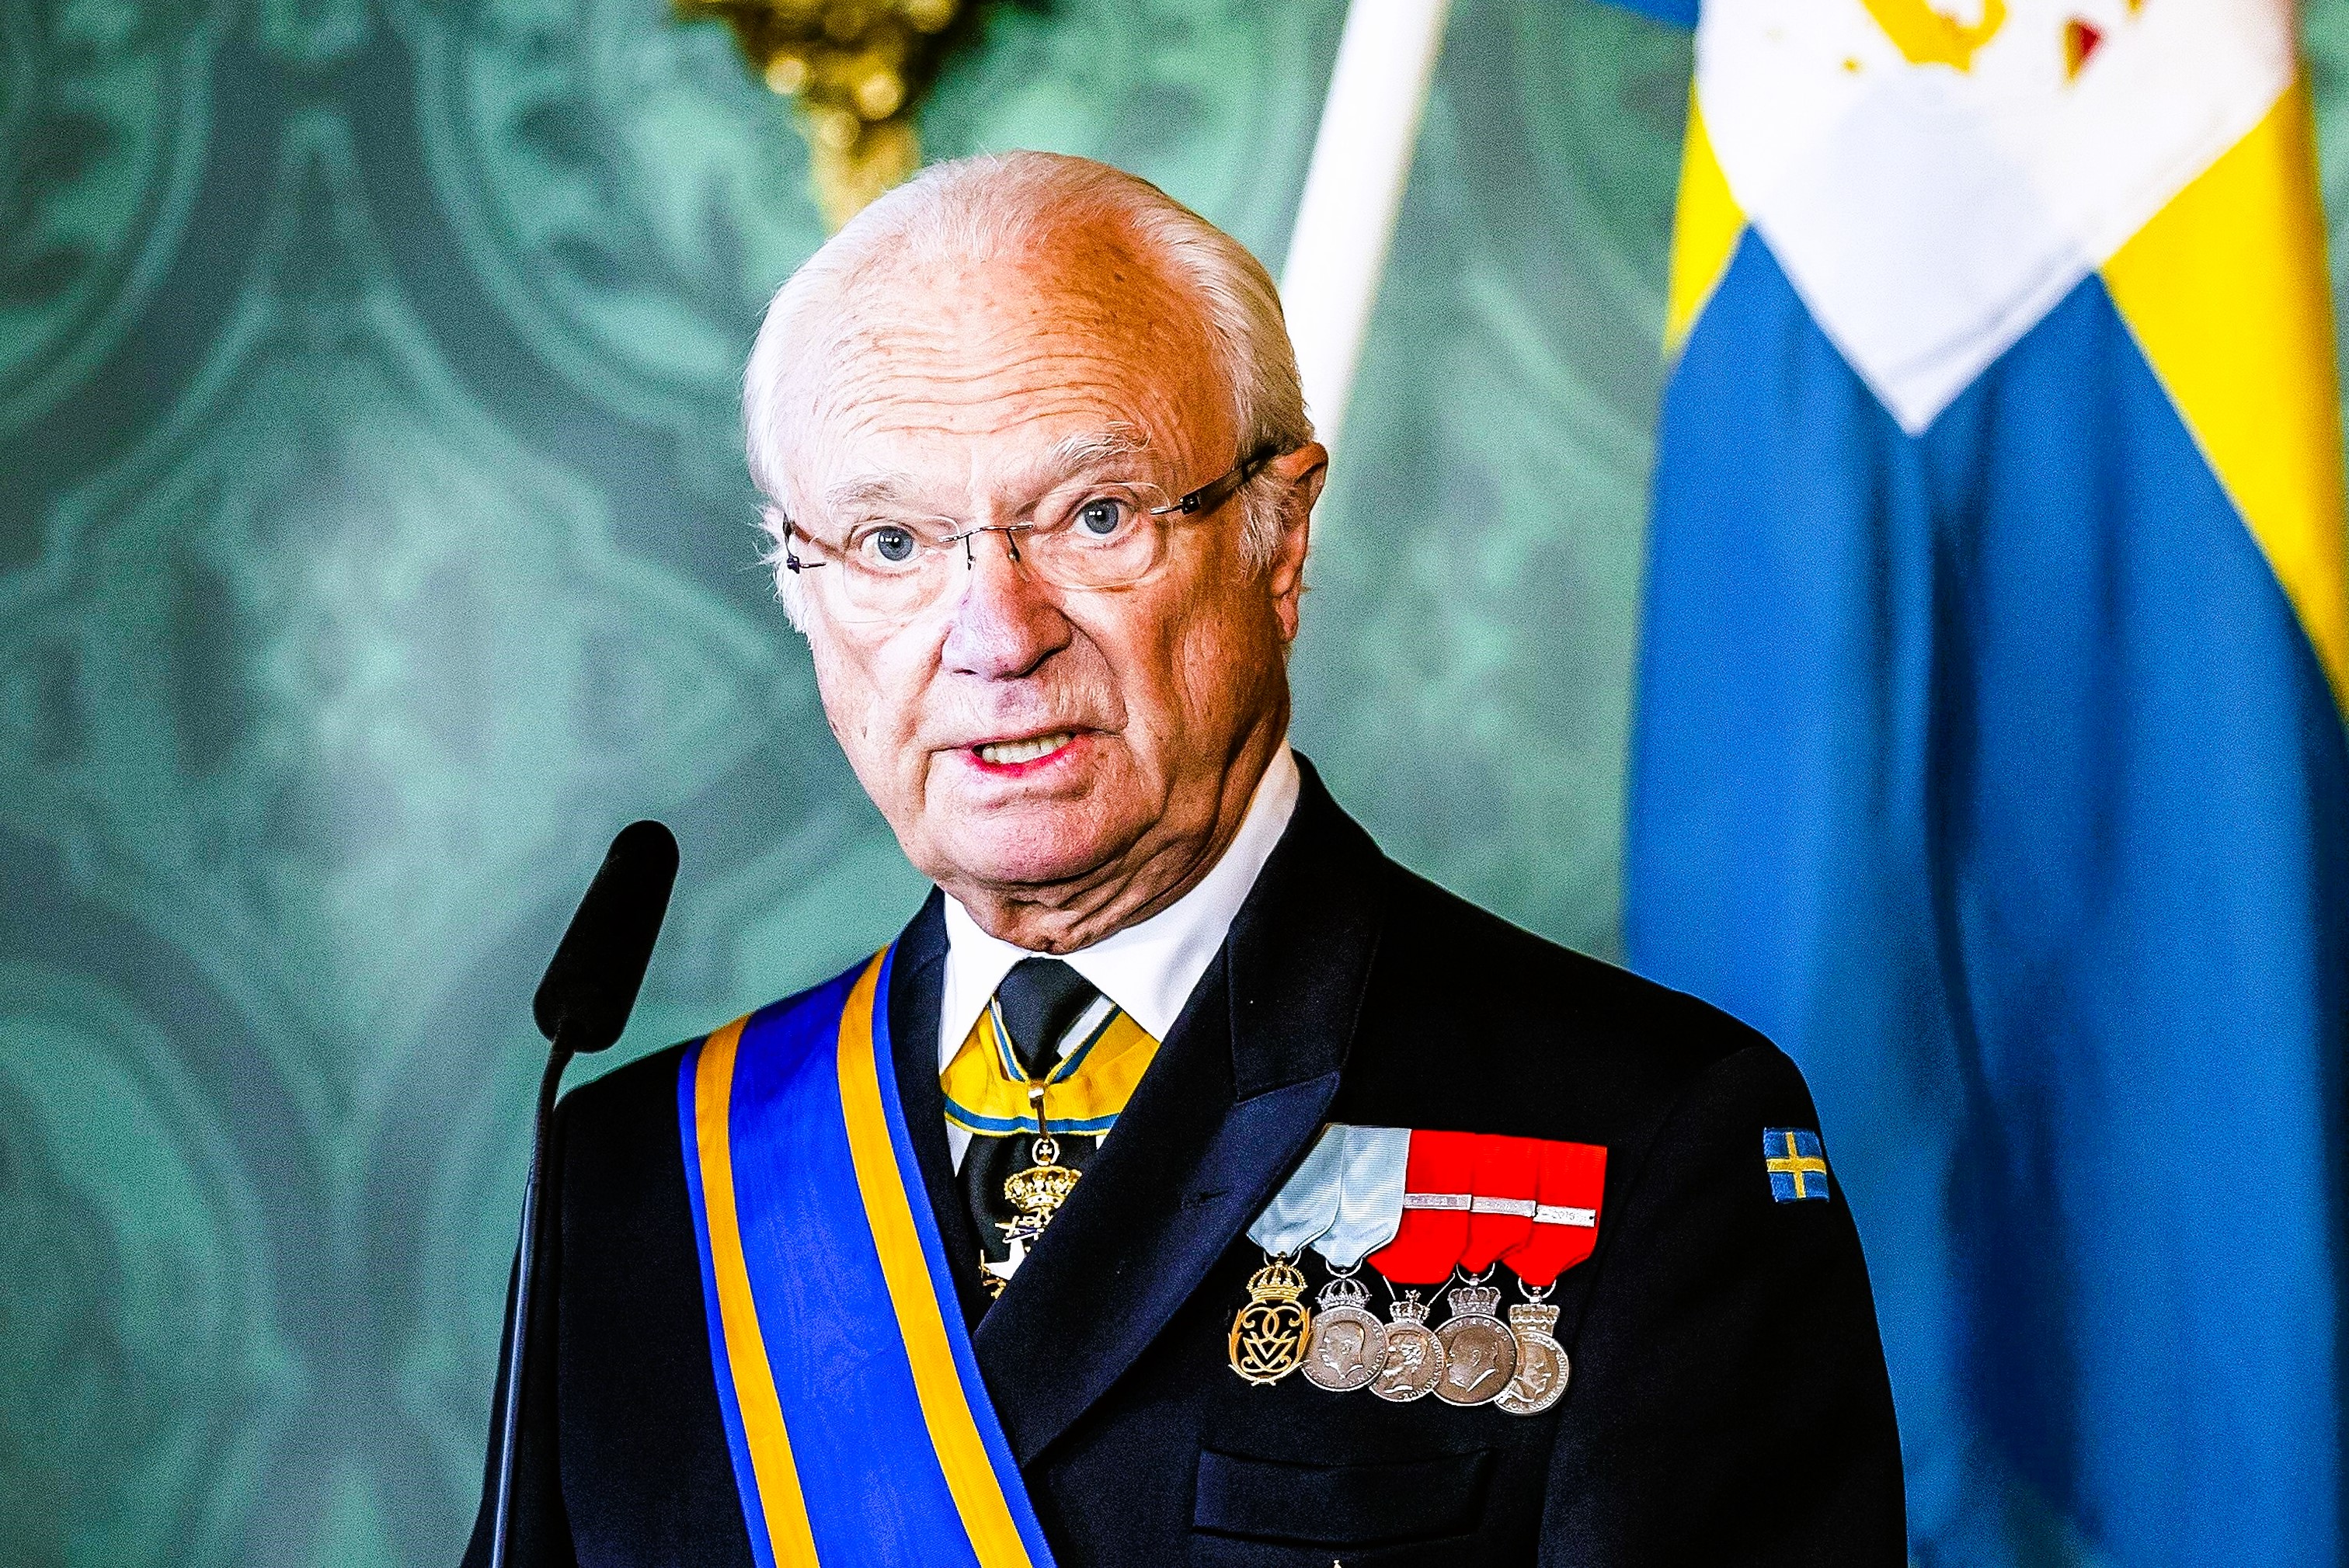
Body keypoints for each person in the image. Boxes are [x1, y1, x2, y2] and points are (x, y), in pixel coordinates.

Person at [461, 151, 1905, 1567]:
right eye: (891, 542)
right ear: (802, 584)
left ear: (1280, 541)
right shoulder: (634, 1180)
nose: (996, 636)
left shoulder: (1651, 1141)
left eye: (1095, 518)